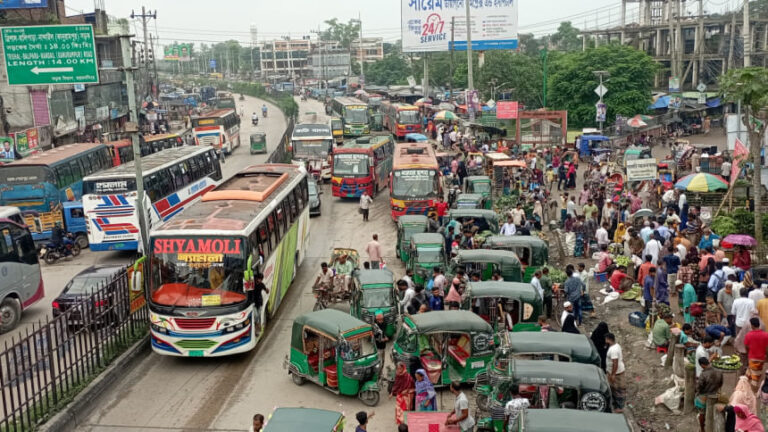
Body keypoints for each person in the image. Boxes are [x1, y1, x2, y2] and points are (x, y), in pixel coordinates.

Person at [695, 357, 723, 429]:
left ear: (702, 365)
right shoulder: (719, 371)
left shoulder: (703, 374)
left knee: (702, 413)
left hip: (704, 397)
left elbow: (699, 387)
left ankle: (702, 428)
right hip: (715, 395)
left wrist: (697, 392)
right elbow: (720, 384)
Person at [743, 317, 768, 387]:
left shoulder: (748, 335)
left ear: (752, 325)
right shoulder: (766, 335)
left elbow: (746, 347)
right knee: (755, 374)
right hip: (761, 358)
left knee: (754, 378)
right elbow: (767, 348)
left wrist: (749, 353)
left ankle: (753, 392)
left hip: (752, 358)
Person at [605, 332, 626, 413]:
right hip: (616, 371)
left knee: (618, 389)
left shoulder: (613, 350)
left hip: (616, 373)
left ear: (608, 339)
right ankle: (616, 404)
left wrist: (613, 374)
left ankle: (620, 407)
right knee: (614, 389)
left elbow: (615, 363)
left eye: (606, 339)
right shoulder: (616, 346)